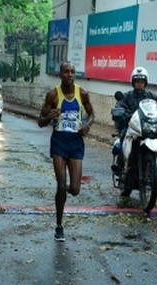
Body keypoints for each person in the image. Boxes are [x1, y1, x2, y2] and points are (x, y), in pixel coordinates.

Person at [38, 61, 95, 242]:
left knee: (75, 189)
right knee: (61, 185)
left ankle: (61, 194)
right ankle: (59, 225)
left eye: (72, 72)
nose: (70, 75)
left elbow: (92, 114)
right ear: (60, 75)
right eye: (66, 72)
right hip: (59, 141)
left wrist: (87, 125)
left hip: (76, 142)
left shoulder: (82, 94)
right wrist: (49, 117)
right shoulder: (53, 95)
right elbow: (40, 121)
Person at [111, 66, 157, 173]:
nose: (139, 84)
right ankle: (120, 164)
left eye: (142, 82)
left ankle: (156, 166)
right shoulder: (127, 96)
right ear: (133, 83)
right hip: (132, 127)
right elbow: (119, 105)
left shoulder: (151, 96)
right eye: (137, 81)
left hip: (147, 126)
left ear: (145, 83)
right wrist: (120, 112)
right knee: (124, 135)